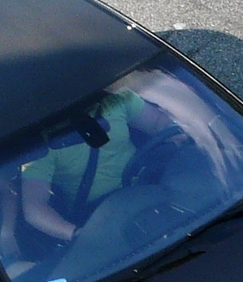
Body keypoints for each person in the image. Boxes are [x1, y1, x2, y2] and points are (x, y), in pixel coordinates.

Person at [20, 88, 173, 242]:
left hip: (151, 185)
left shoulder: (116, 98)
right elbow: (34, 208)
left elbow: (158, 123)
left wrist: (178, 134)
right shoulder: (41, 147)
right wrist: (81, 235)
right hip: (102, 217)